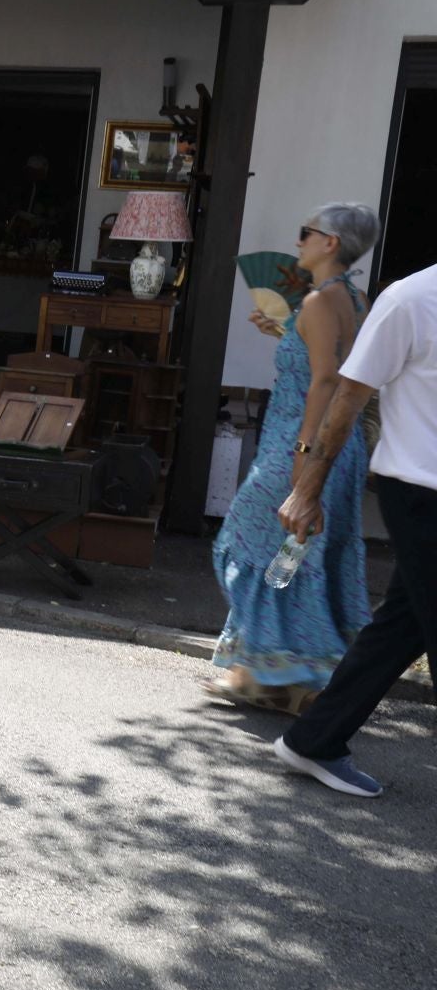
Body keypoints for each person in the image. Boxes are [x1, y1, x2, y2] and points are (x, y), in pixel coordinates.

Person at [273, 256, 437, 798]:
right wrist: (307, 487)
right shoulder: (409, 301)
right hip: (419, 490)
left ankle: (314, 740)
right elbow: (348, 394)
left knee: (402, 627)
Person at [208, 204, 378, 713]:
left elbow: (327, 379)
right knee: (298, 557)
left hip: (300, 444)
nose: (297, 239)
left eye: (307, 232)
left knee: (242, 543)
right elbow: (331, 359)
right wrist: (286, 333)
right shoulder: (351, 296)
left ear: (331, 243)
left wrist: (303, 458)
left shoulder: (323, 300)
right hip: (335, 449)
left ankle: (283, 672)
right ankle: (273, 679)